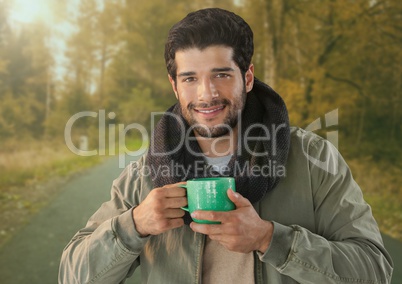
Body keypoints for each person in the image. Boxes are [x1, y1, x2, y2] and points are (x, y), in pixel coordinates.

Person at [59, 8, 393, 284]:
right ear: (175, 86)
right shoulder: (144, 175)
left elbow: (375, 269)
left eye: (221, 75)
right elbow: (73, 275)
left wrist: (269, 239)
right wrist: (135, 224)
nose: (206, 94)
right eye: (190, 78)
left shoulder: (313, 159)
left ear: (247, 77)